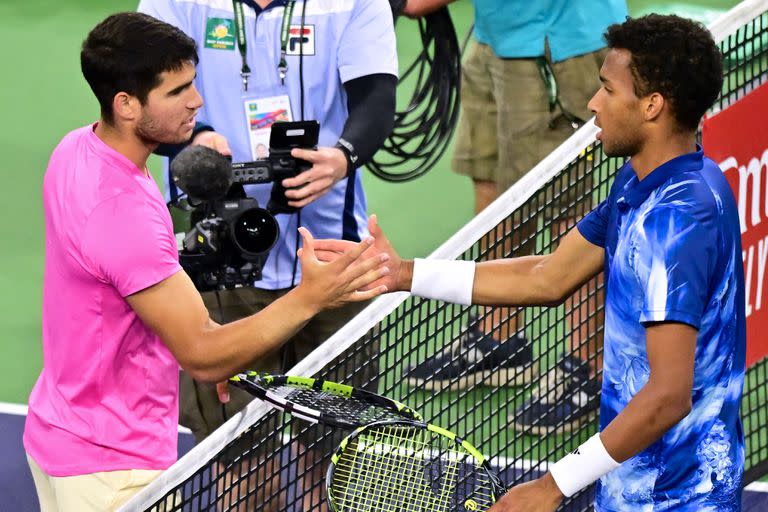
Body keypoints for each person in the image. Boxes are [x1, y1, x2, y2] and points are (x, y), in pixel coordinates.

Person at [316, 14, 744, 510]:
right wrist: (405, 273)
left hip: (678, 497)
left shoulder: (676, 222)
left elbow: (669, 394)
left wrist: (551, 486)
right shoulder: (645, 181)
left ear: (652, 105)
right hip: (634, 481)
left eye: (607, 89)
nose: (592, 103)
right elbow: (549, 275)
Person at [22, 13, 388, 512]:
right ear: (126, 104)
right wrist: (311, 297)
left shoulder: (77, 150)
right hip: (113, 467)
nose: (197, 101)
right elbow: (200, 353)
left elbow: (140, 294)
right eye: (178, 91)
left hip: (64, 431)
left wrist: (211, 332)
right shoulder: (122, 211)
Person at [137, 1, 397, 508]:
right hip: (216, 263)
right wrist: (197, 137)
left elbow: (376, 96)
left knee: (337, 452)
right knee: (236, 453)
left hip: (330, 261)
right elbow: (145, 92)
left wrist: (342, 157)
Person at [402, 0, 628, 434]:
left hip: (557, 42)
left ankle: (589, 368)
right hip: (496, 35)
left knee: (565, 208)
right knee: (494, 187)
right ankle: (499, 340)